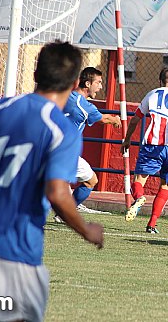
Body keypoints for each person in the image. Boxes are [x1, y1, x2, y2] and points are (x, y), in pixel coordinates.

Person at [0, 41, 104, 321]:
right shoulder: (61, 129)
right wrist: (86, 230)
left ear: (36, 74)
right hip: (13, 238)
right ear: (76, 83)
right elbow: (57, 192)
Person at [120, 67, 168, 234]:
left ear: (160, 82)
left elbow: (135, 119)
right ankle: (152, 224)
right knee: (165, 185)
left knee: (139, 180)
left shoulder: (152, 94)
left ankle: (139, 198)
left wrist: (127, 139)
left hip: (152, 145)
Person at [54, 67, 121, 221]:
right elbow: (103, 119)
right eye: (98, 82)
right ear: (87, 84)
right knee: (91, 181)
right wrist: (115, 119)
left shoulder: (65, 95)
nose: (100, 87)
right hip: (65, 153)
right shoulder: (84, 105)